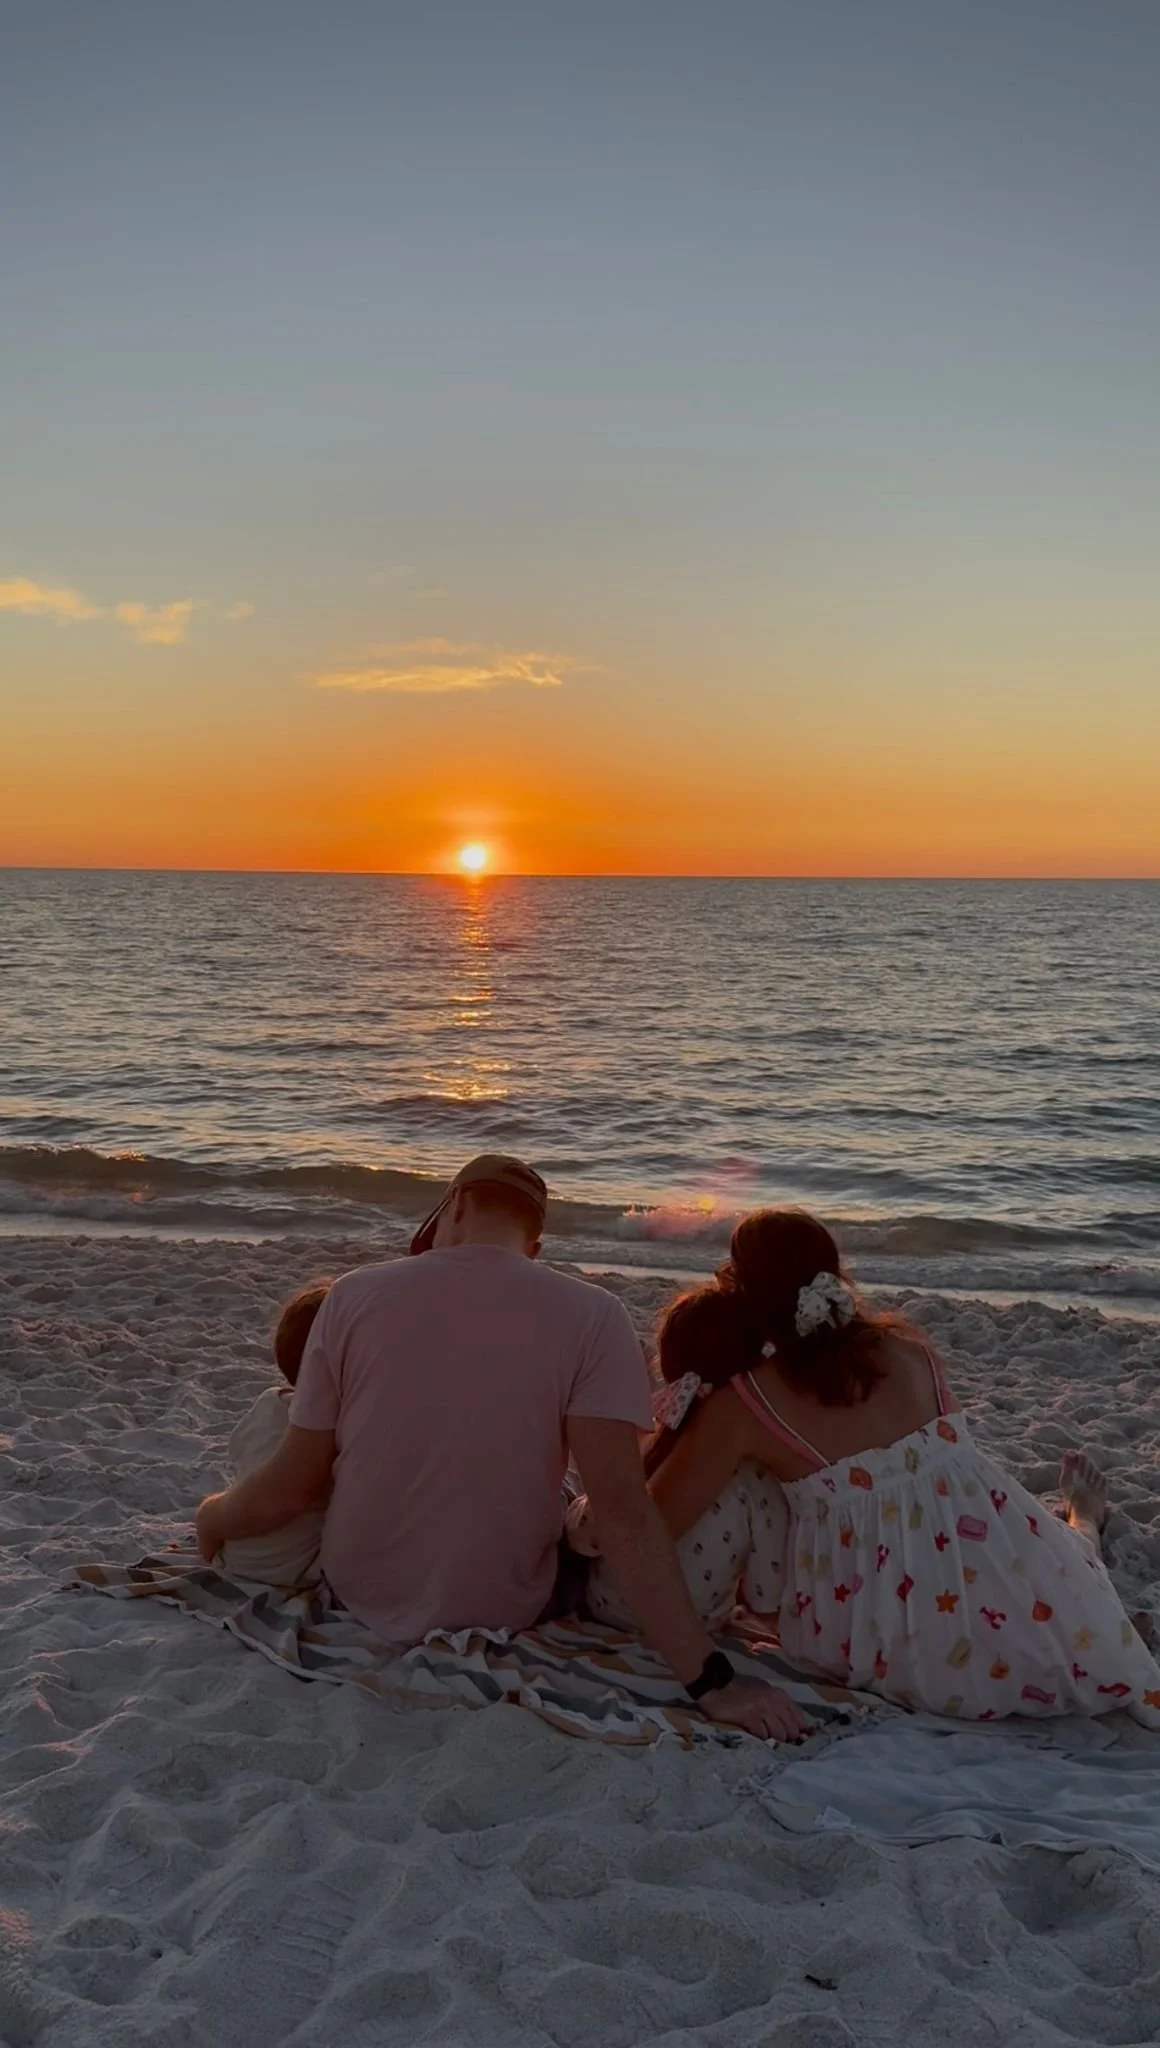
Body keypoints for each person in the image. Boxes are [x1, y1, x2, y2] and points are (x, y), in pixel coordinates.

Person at [195, 1155, 807, 1741]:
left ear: (454, 1206)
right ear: (534, 1248)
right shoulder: (595, 1315)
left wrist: (212, 1516)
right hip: (509, 1602)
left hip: (361, 1590)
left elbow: (294, 1483)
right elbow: (622, 1510)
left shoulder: (351, 1296)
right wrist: (711, 1682)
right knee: (578, 1505)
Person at [573, 1208, 1160, 1726]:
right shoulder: (913, 1352)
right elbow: (947, 1486)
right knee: (1073, 1562)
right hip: (992, 1558)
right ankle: (1082, 1522)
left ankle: (1082, 1522)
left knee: (756, 1483)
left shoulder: (750, 1401)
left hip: (878, 1631)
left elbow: (654, 1525)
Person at [217, 1281, 331, 1589]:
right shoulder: (331, 1425)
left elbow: (237, 1451)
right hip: (296, 1570)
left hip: (237, 1557)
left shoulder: (268, 1403)